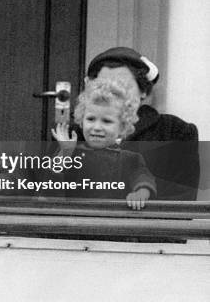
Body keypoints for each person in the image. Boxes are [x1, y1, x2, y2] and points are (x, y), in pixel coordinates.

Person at [85, 47, 199, 201]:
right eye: (104, 85)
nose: (113, 93)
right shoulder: (75, 131)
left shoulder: (175, 131)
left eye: (123, 86)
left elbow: (181, 198)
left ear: (143, 90)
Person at [52, 79, 156, 209]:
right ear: (81, 121)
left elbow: (143, 178)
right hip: (74, 221)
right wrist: (64, 154)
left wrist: (140, 194)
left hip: (112, 222)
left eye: (106, 121)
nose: (96, 127)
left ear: (122, 127)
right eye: (90, 119)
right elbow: (50, 187)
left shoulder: (131, 158)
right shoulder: (70, 153)